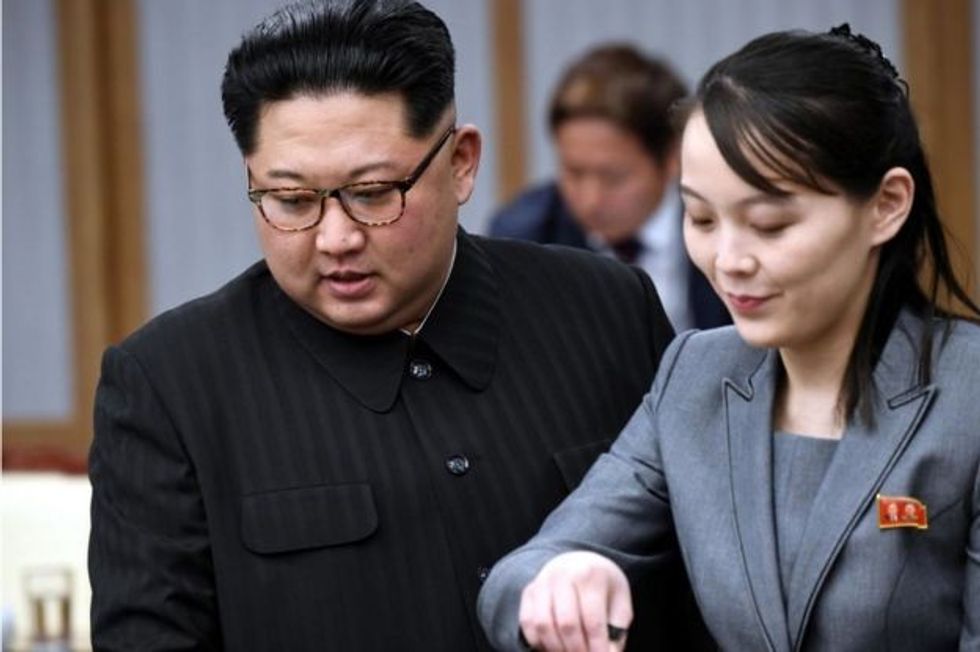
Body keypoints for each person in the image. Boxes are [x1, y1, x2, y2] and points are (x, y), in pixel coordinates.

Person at [86, 1, 701, 650]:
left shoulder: (607, 311)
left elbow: (705, 588)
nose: (336, 237)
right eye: (291, 200)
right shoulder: (170, 386)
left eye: (374, 192)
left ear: (461, 162)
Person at [479, 24, 980, 652]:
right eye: (702, 218)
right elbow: (518, 577)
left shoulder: (968, 396)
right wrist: (561, 575)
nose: (728, 259)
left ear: (886, 205)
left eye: (769, 224)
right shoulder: (696, 373)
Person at [488, 44, 729, 332]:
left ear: (671, 159)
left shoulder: (727, 225)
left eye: (613, 177)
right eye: (574, 173)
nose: (590, 201)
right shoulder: (524, 239)